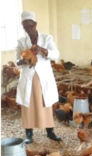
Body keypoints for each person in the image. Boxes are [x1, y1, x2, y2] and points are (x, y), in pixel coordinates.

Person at [16, 11, 62, 144]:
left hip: (43, 78)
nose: (28, 29)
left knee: (45, 103)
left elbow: (56, 54)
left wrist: (42, 50)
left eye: (30, 26)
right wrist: (23, 61)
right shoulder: (21, 41)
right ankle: (29, 134)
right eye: (25, 27)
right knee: (28, 105)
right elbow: (16, 61)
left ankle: (50, 132)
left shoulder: (47, 38)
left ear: (35, 24)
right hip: (28, 77)